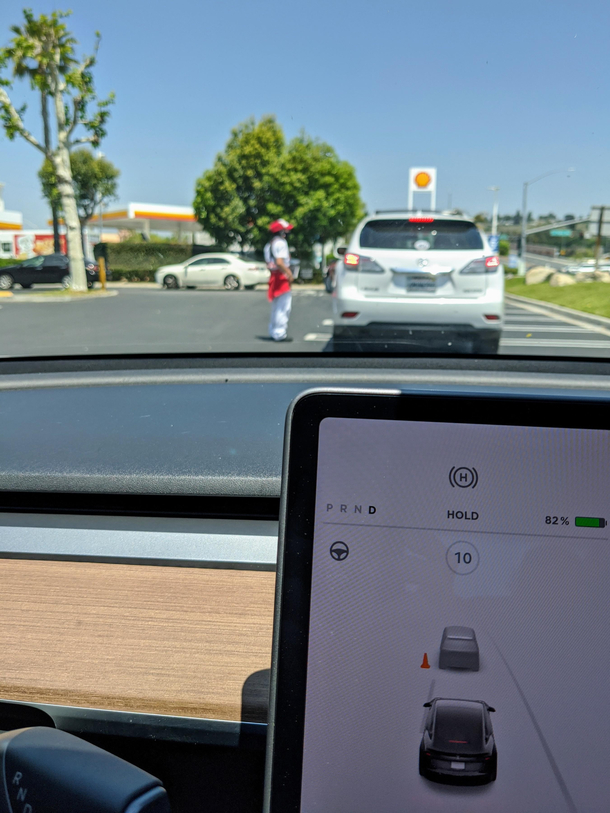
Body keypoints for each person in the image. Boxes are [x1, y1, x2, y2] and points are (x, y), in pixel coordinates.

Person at [264, 219, 294, 342]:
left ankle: (274, 330)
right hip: (281, 276)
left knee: (277, 306)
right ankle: (280, 333)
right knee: (284, 306)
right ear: (281, 232)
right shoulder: (281, 243)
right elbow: (280, 262)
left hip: (274, 275)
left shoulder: (269, 244)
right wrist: (289, 273)